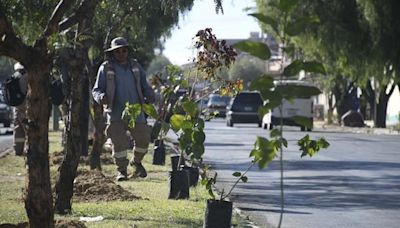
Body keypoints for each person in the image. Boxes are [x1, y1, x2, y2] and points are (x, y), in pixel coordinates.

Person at [92, 37, 155, 181]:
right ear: (112, 53)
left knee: (144, 139)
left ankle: (137, 162)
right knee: (119, 143)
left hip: (136, 111)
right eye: (117, 51)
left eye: (124, 50)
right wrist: (101, 97)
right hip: (115, 112)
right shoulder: (106, 68)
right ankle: (122, 171)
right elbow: (96, 90)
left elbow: (145, 85)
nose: (121, 53)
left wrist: (150, 94)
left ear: (128, 51)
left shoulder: (136, 67)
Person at [12, 63, 28, 156]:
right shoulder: (28, 76)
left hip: (17, 106)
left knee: (18, 129)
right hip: (26, 105)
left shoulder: (15, 76)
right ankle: (30, 149)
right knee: (28, 129)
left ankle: (18, 150)